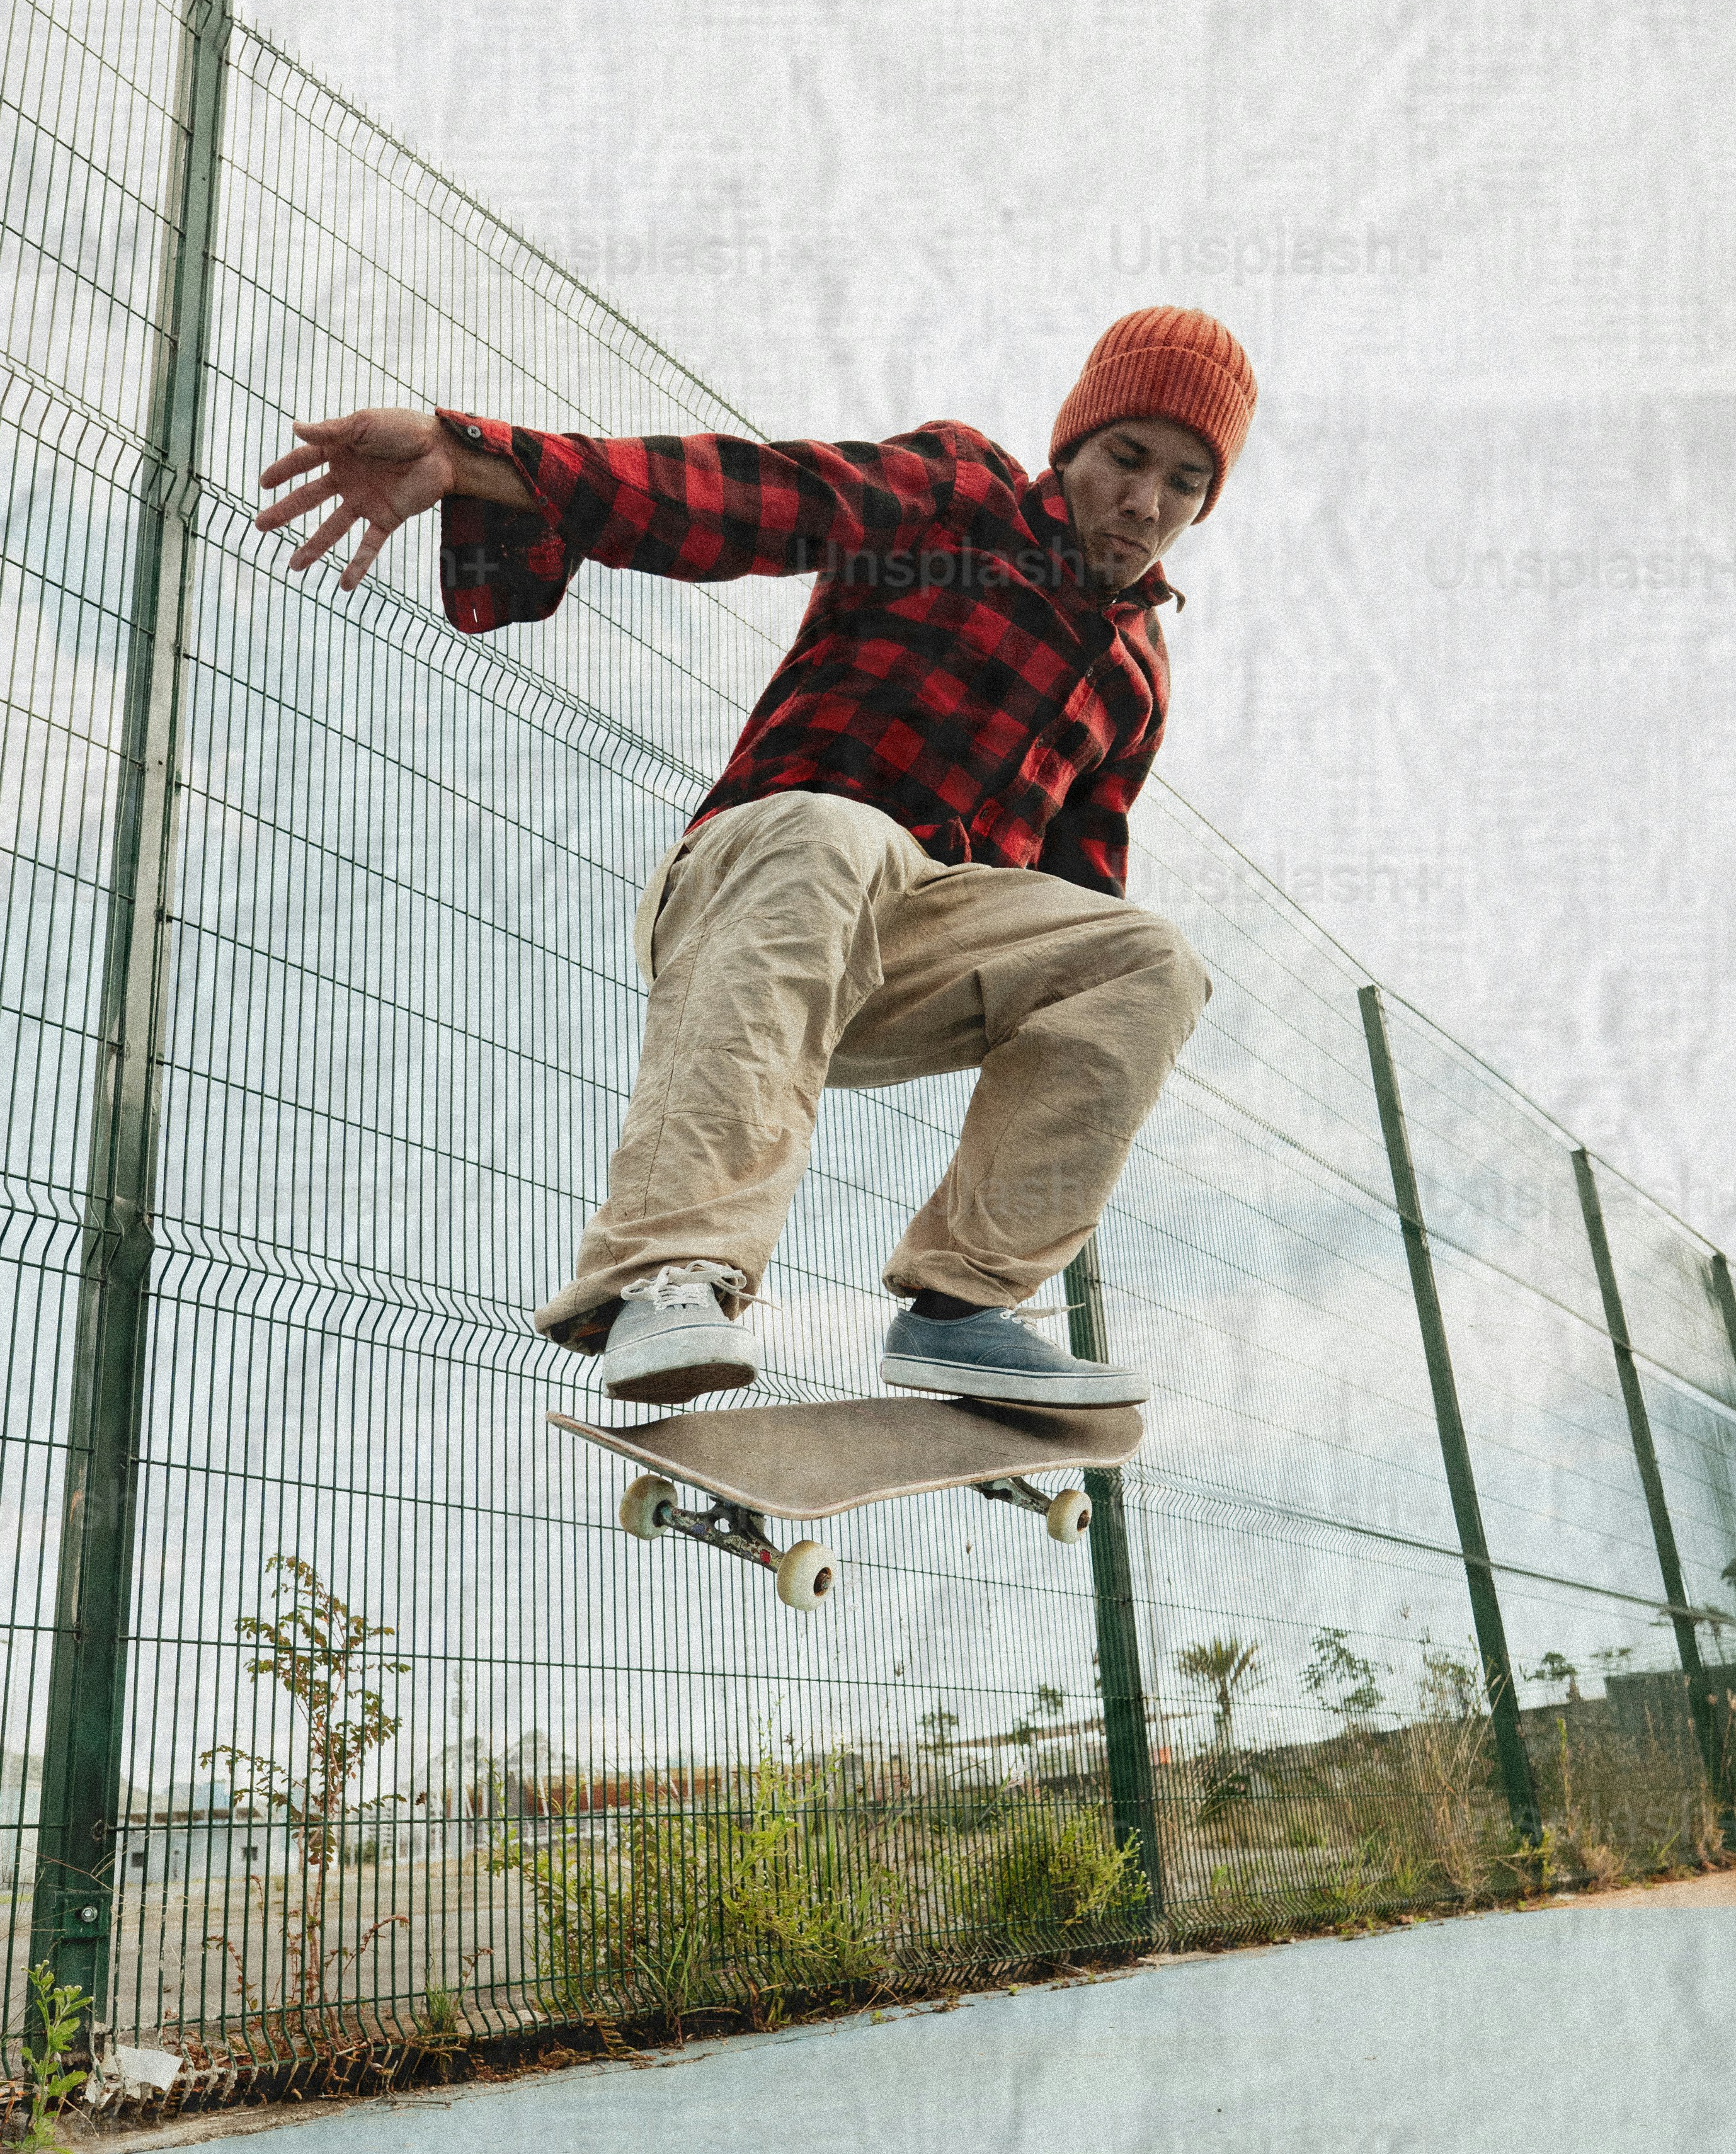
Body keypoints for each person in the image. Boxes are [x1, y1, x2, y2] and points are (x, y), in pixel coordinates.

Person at [254, 306, 1252, 1413]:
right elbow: (751, 496)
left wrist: (1058, 1088)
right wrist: (478, 458)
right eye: (1126, 458)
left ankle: (965, 1313)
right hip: (757, 880)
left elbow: (1076, 899)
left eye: (1185, 482)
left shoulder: (1137, 674)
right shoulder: (955, 492)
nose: (1145, 503)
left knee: (1150, 959)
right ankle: (668, 1273)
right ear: (1072, 443)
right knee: (838, 833)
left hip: (914, 951)